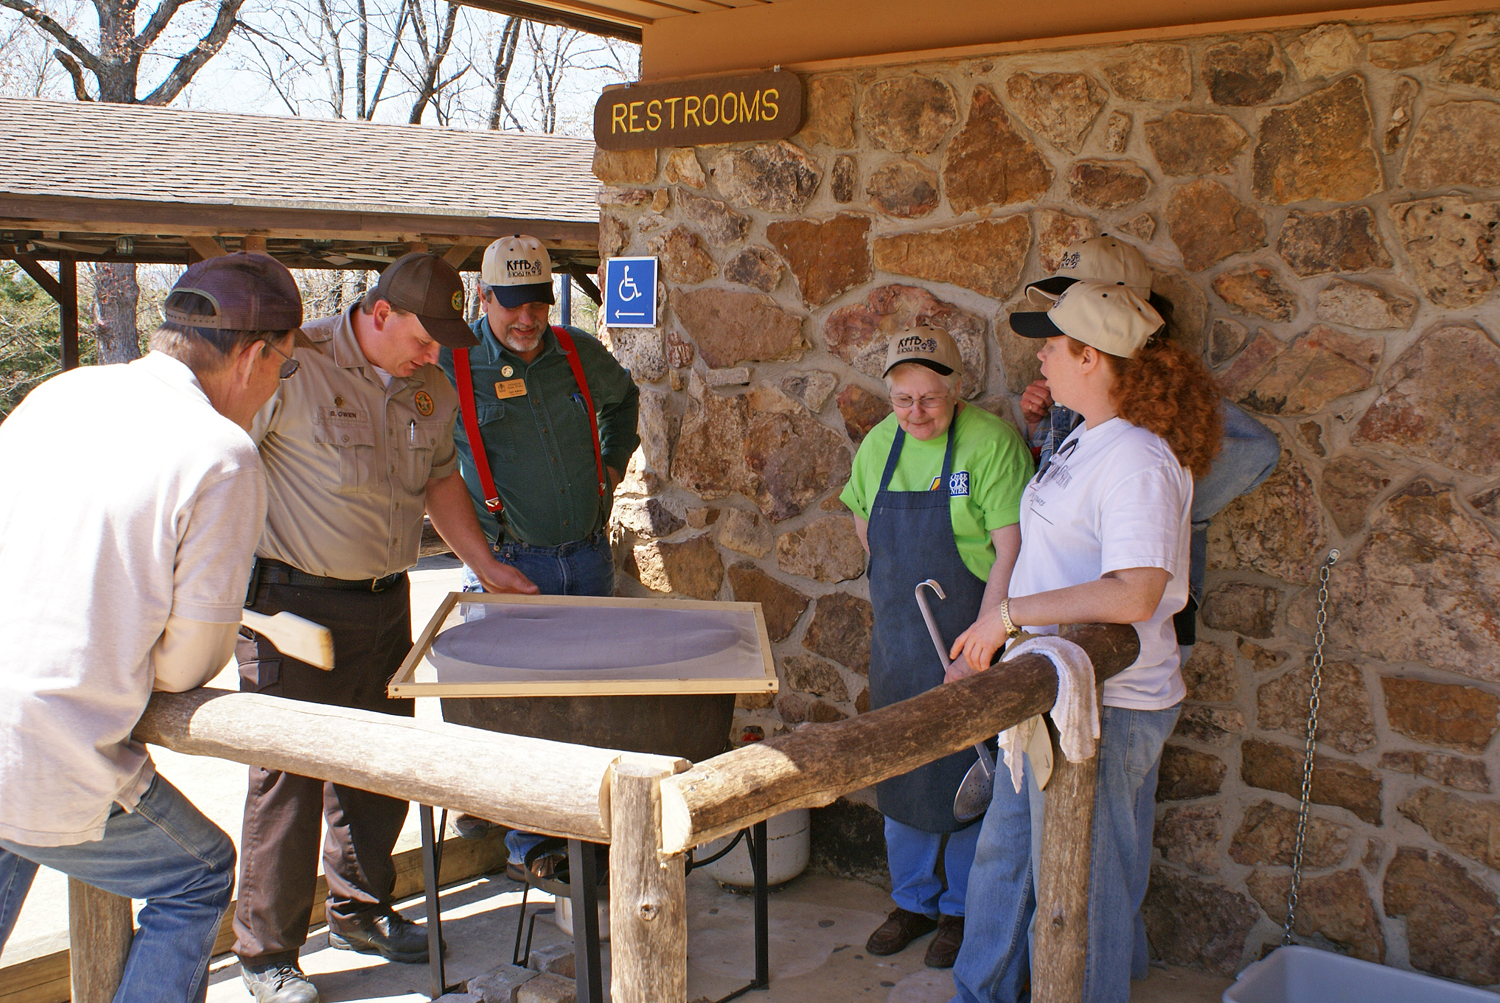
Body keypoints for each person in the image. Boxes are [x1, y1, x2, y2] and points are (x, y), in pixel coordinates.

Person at [0, 254, 303, 1003]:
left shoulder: (59, 393)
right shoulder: (220, 455)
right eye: (284, 369)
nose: (274, 389)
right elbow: (186, 663)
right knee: (199, 873)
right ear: (255, 354)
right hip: (53, 740)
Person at [233, 252, 534, 1003]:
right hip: (288, 606)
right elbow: (225, 464)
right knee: (287, 781)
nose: (434, 355)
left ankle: (360, 909)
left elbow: (439, 481)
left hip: (383, 599)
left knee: (380, 770)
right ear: (376, 315)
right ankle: (266, 953)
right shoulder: (293, 367)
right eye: (423, 338)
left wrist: (485, 564)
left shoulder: (430, 386)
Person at [948, 282, 1223, 1003]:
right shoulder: (1088, 435)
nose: (1040, 354)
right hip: (1044, 690)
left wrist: (1009, 613)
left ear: (1092, 357)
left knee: (1084, 893)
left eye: (1053, 343)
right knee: (1006, 859)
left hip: (1107, 705)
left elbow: (1135, 590)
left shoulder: (1137, 457)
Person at [838, 325, 1034, 969]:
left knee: (969, 771)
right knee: (901, 767)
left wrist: (983, 640)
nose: (916, 413)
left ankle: (959, 909)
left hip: (973, 631)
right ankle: (912, 901)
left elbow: (1011, 550)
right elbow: (866, 526)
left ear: (957, 389)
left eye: (930, 399)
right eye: (902, 400)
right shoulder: (879, 444)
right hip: (901, 637)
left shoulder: (991, 442)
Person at [437, 235, 640, 851]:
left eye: (539, 304)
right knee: (522, 713)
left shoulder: (576, 352)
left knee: (590, 704)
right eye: (512, 303)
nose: (527, 319)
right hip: (508, 567)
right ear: (484, 296)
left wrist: (610, 465)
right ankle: (534, 846)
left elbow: (624, 400)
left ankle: (592, 834)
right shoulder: (447, 364)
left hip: (586, 557)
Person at [1017, 235, 1279, 651]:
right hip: (1071, 626)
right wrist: (1039, 428)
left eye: (1078, 294)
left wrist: (1174, 513)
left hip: (1126, 643)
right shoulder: (1090, 387)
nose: (1065, 306)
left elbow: (1256, 449)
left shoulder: (1158, 394)